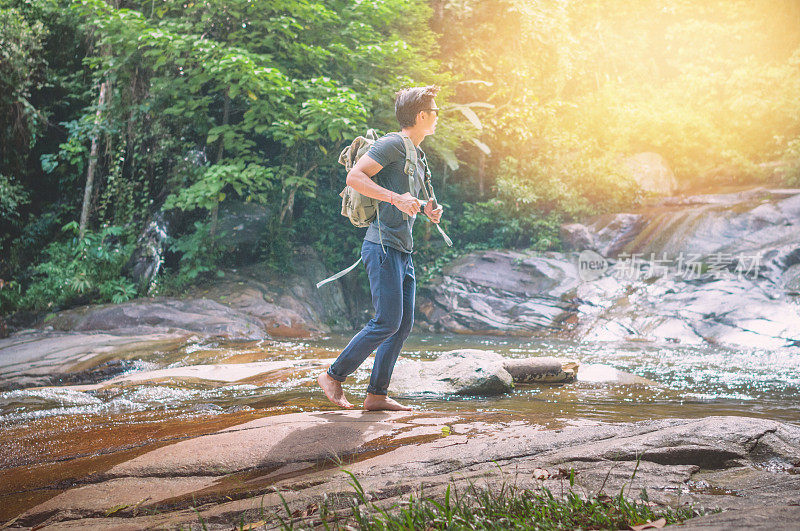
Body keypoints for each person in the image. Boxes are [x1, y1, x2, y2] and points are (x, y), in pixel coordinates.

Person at [317, 85, 444, 411]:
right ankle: (333, 375)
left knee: (402, 325)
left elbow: (414, 198)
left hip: (402, 249)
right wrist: (394, 198)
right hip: (382, 245)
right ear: (421, 116)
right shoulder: (391, 144)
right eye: (435, 110)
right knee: (387, 321)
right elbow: (355, 178)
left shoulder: (418, 155)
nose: (437, 115)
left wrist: (430, 209)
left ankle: (376, 394)